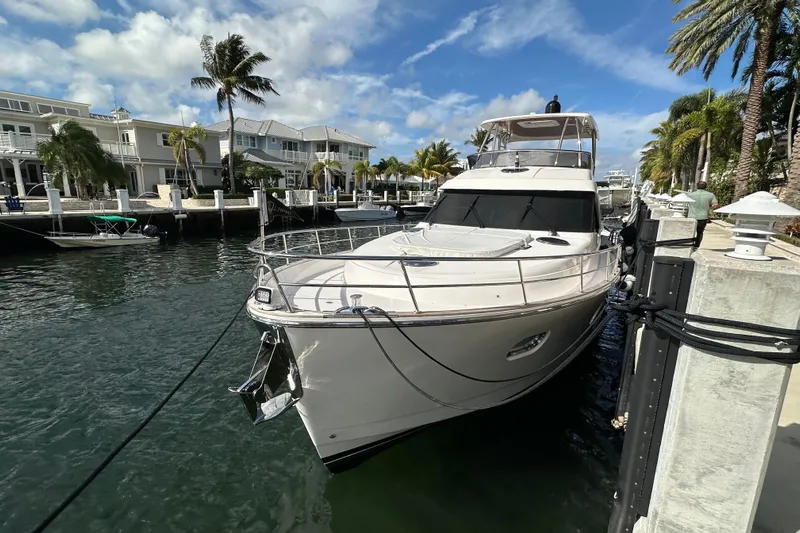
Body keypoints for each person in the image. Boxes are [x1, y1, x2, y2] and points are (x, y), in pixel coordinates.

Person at [687, 181, 719, 249]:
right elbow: (715, 204)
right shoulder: (710, 195)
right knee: (700, 232)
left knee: (690, 232)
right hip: (703, 217)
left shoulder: (691, 195)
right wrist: (708, 205)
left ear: (697, 186)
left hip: (691, 216)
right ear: (705, 187)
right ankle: (696, 246)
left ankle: (689, 245)